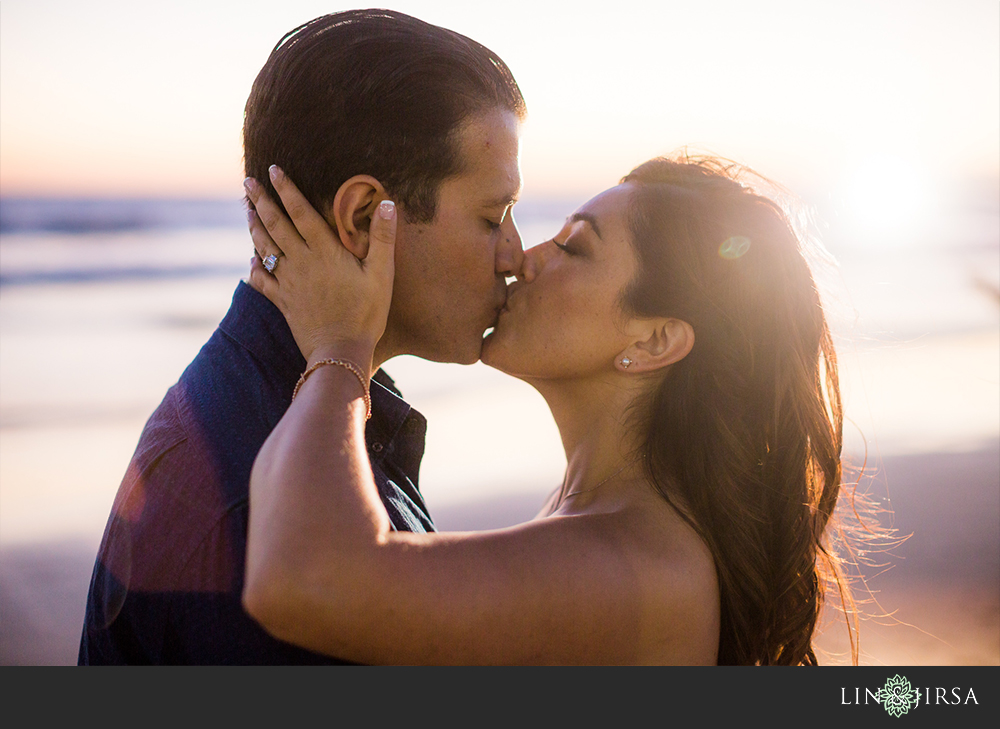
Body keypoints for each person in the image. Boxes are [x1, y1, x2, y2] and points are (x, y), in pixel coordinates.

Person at [240, 154, 851, 665]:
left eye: (573, 247)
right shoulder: (597, 520)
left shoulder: (642, 566)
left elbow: (306, 580)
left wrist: (341, 345)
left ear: (653, 340)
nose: (521, 258)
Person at [79, 9, 526, 664]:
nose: (515, 254)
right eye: (494, 216)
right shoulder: (264, 517)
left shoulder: (309, 403)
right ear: (367, 217)